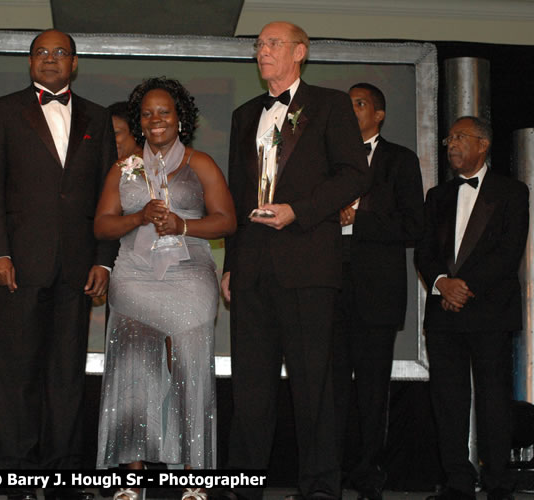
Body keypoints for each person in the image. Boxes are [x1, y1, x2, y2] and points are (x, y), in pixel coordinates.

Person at [220, 21, 372, 500]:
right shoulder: (246, 114)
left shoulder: (328, 105)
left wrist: (298, 211)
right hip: (252, 270)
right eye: (259, 44)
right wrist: (230, 263)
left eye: (274, 44)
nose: (263, 50)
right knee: (250, 386)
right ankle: (244, 484)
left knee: (315, 386)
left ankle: (321, 488)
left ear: (300, 52)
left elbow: (354, 175)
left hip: (308, 265)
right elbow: (237, 194)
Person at [0, 29, 117, 500]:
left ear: (74, 63)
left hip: (76, 267)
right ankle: (15, 471)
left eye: (60, 53)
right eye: (42, 52)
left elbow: (106, 198)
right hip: (16, 263)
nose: (51, 59)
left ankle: (63, 475)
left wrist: (104, 261)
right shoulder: (1, 110)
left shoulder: (97, 116)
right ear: (30, 61)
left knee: (66, 372)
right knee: (15, 372)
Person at [95, 77, 236, 500]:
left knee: (192, 368)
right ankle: (131, 479)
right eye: (147, 113)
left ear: (181, 118)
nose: (156, 120)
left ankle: (194, 478)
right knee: (132, 370)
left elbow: (227, 220)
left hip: (189, 272)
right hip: (134, 274)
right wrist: (137, 218)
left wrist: (184, 224)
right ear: (139, 121)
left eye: (165, 112)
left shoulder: (202, 163)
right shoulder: (123, 168)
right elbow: (102, 223)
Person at [416, 116, 528, 500]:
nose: (452, 144)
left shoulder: (513, 192)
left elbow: (508, 251)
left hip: (490, 311)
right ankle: (457, 482)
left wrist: (466, 287)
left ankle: (498, 482)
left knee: (494, 399)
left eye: (460, 138)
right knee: (448, 402)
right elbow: (425, 252)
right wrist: (441, 284)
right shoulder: (437, 196)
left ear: (483, 144)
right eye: (449, 139)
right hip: (444, 313)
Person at [332, 83, 424, 500]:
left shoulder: (400, 160)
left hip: (377, 290)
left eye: (360, 104)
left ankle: (369, 473)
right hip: (327, 284)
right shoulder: (327, 158)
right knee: (325, 386)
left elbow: (413, 225)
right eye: (347, 105)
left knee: (371, 389)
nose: (352, 111)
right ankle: (325, 476)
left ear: (380, 115)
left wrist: (360, 218)